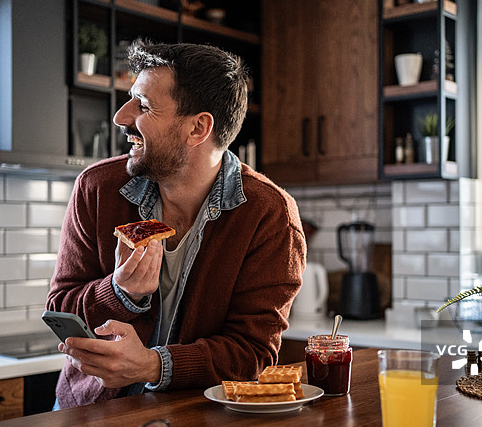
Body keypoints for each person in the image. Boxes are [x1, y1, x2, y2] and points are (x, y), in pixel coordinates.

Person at [47, 39, 306, 408]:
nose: (121, 117)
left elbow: (252, 353)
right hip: (87, 412)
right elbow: (60, 309)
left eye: (145, 106)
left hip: (196, 419)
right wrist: (120, 293)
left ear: (198, 128)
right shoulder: (97, 188)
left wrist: (154, 367)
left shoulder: (270, 216)